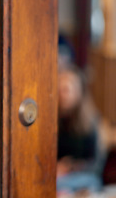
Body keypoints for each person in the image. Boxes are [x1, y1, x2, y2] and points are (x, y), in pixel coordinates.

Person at [56, 65, 103, 195]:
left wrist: (71, 166)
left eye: (66, 90)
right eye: (60, 89)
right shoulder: (51, 121)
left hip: (82, 177)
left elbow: (96, 164)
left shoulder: (90, 121)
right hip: (57, 177)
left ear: (79, 91)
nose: (63, 95)